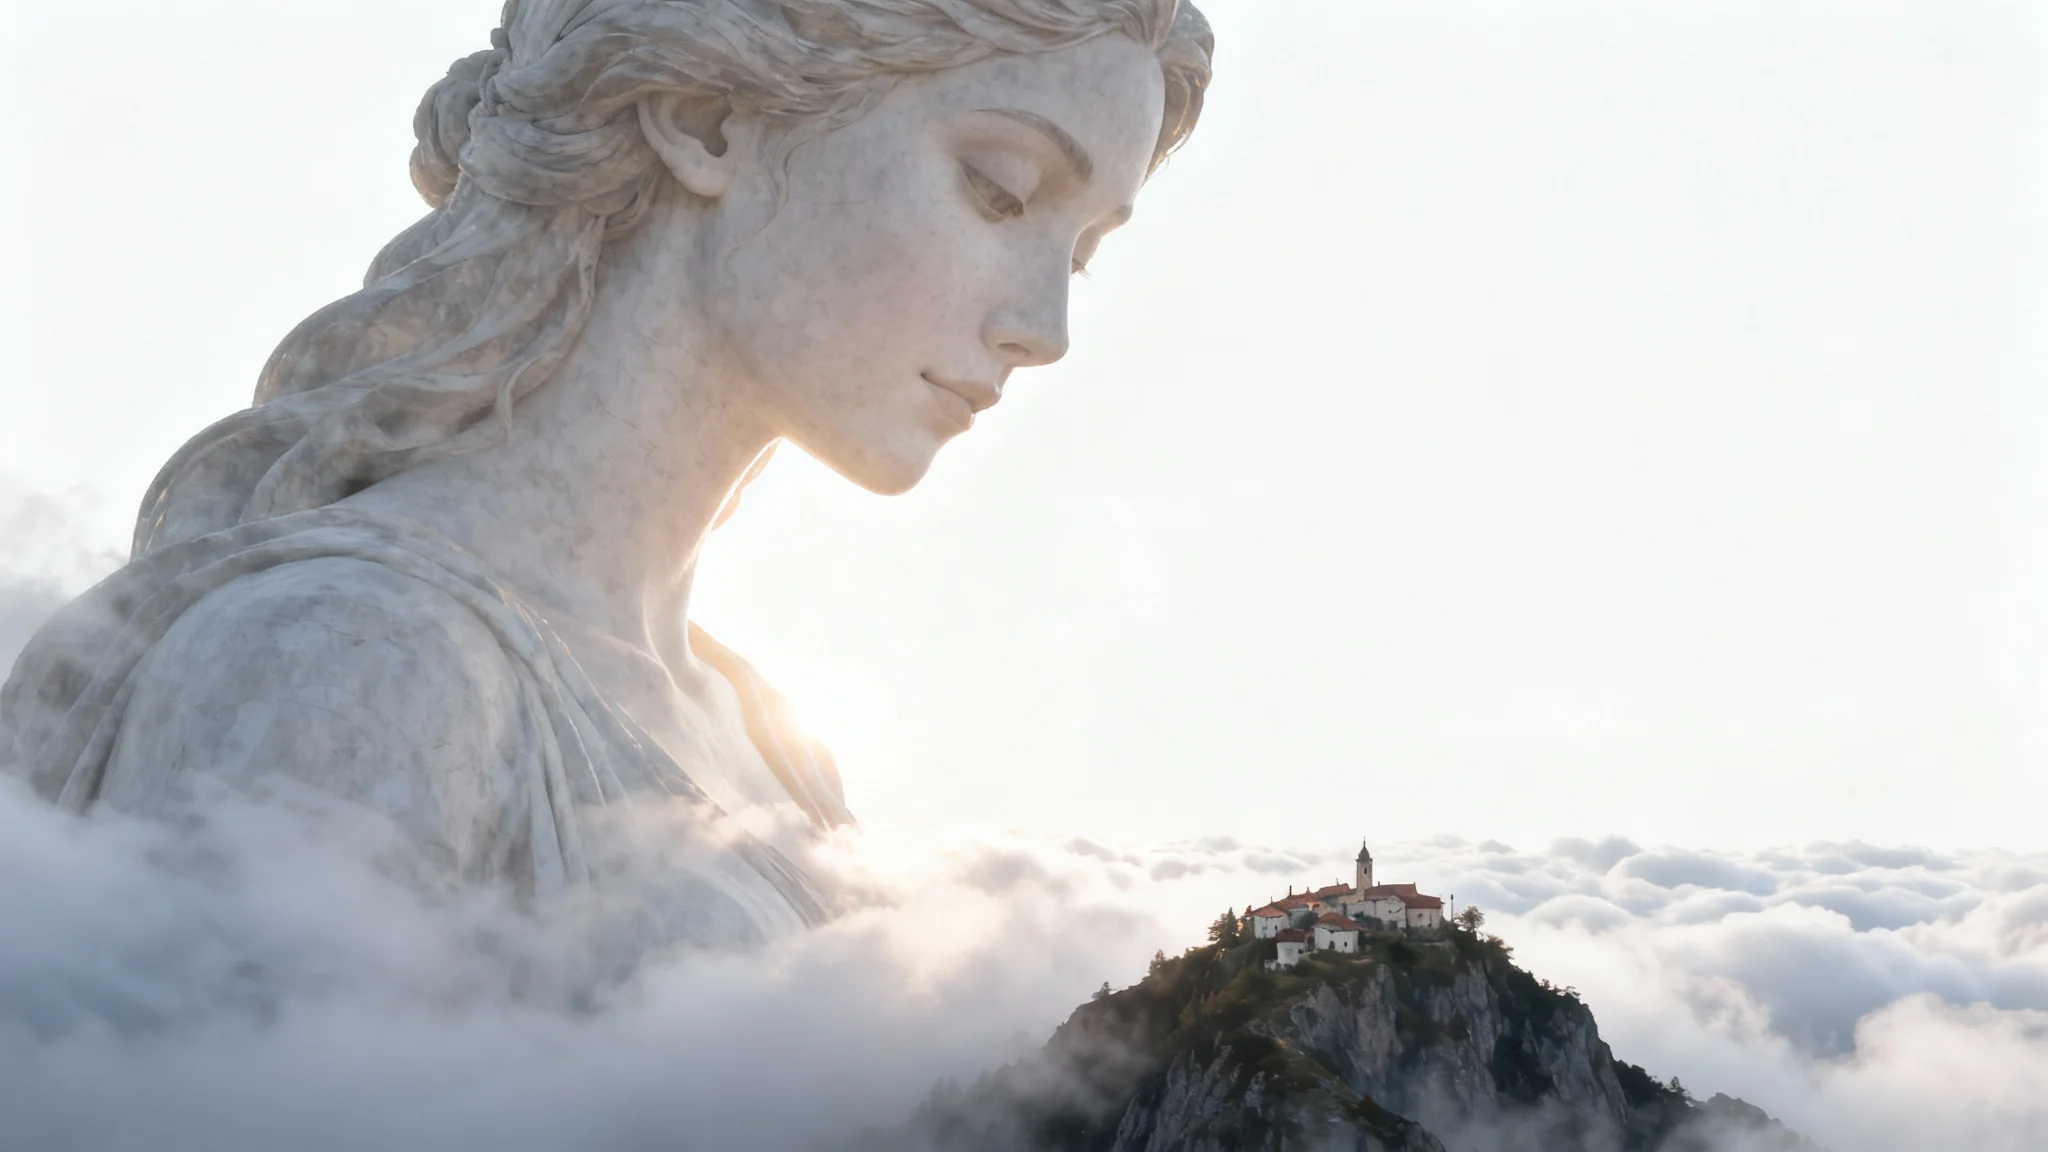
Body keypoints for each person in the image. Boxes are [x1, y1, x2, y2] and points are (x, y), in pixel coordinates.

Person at [0, 0, 1213, 941]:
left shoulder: (771, 747)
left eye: (1084, 251)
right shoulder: (347, 658)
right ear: (705, 122)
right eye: (998, 191)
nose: (1044, 328)